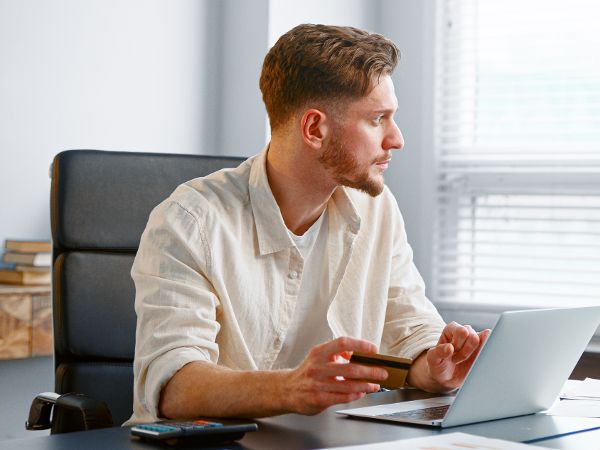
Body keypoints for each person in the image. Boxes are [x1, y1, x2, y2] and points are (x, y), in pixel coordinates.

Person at [126, 24, 490, 424]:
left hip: (329, 439)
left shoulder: (376, 209)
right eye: (378, 119)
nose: (397, 139)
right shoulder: (189, 222)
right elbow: (172, 388)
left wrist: (432, 366)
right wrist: (292, 388)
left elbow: (407, 323)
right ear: (314, 128)